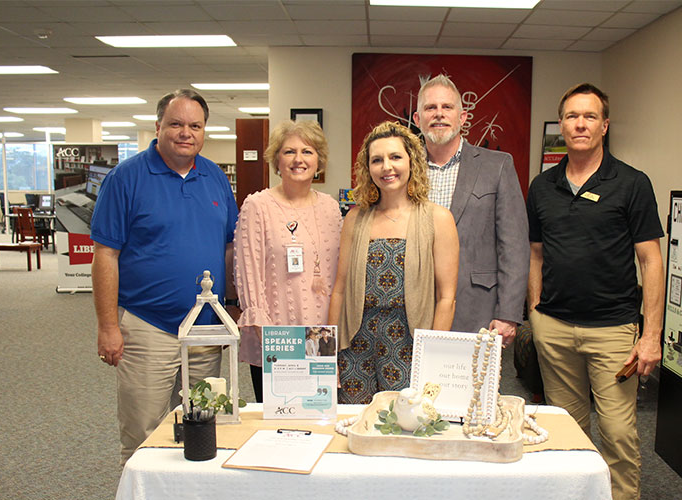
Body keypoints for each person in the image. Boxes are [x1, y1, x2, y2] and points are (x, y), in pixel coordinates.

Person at [526, 83, 665, 500]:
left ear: (604, 125)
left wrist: (651, 335)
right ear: (561, 126)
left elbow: (651, 262)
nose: (579, 124)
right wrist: (535, 310)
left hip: (613, 330)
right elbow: (536, 253)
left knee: (618, 433)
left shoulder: (632, 183)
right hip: (554, 328)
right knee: (566, 430)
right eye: (571, 116)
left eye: (589, 116)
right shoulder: (541, 186)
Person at [91, 89, 239, 465]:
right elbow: (105, 255)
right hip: (147, 327)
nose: (185, 132)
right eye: (175, 124)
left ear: (204, 131)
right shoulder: (126, 179)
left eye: (195, 125)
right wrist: (108, 325)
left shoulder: (216, 178)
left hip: (204, 330)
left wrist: (233, 306)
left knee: (204, 428)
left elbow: (228, 249)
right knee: (143, 434)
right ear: (158, 127)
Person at [329, 121, 459, 404]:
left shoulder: (438, 219)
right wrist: (328, 354)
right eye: (377, 160)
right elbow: (339, 289)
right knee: (354, 424)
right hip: (356, 343)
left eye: (395, 157)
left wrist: (433, 360)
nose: (386, 167)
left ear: (412, 161)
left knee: (405, 425)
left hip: (409, 344)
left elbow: (447, 298)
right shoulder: (355, 218)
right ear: (368, 168)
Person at [412, 74, 529, 346]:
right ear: (417, 120)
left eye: (447, 107)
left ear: (463, 117)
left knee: (472, 387)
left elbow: (514, 246)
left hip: (478, 309)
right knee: (413, 388)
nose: (439, 114)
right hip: (414, 307)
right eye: (430, 108)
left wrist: (508, 314)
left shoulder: (497, 166)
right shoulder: (403, 168)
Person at [233, 120, 341, 402]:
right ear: (276, 160)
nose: (298, 159)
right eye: (289, 151)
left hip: (321, 336)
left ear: (319, 160)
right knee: (280, 422)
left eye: (307, 151)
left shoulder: (330, 207)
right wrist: (268, 337)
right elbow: (247, 272)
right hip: (276, 336)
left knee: (318, 417)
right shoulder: (258, 206)